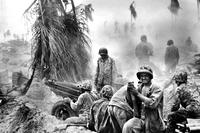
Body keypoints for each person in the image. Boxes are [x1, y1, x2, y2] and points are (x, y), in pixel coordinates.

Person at [123, 66, 166, 133]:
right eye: (141, 76)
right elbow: (132, 104)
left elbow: (152, 104)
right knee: (128, 126)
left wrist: (137, 94)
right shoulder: (140, 87)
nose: (143, 78)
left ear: (150, 76)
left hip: (153, 123)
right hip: (141, 120)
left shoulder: (157, 88)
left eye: (145, 75)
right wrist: (130, 92)